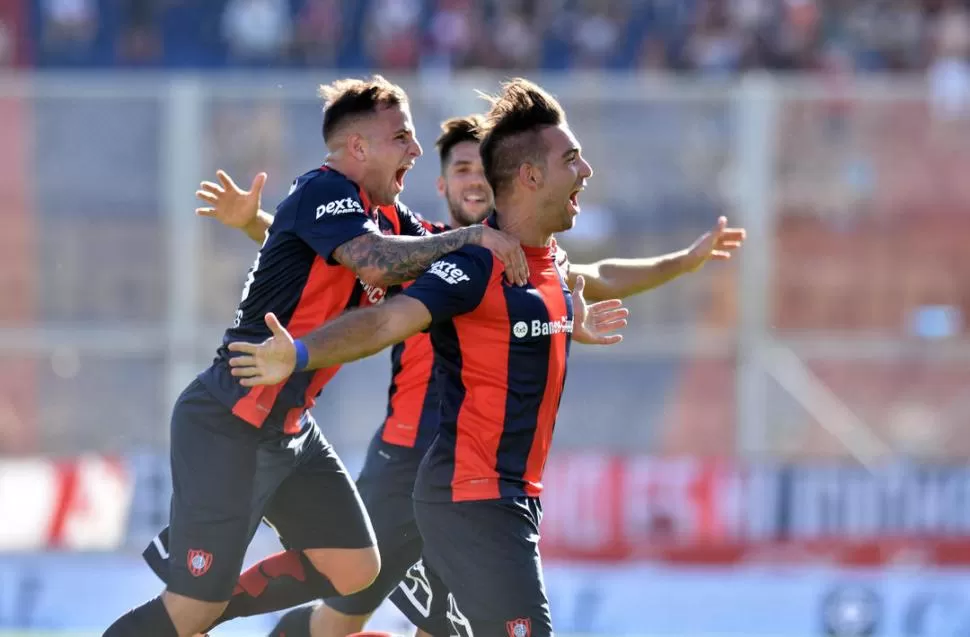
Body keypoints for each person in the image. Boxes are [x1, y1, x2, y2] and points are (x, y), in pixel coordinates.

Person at [187, 112, 744, 636]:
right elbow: (338, 262)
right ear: (442, 187)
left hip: (466, 473)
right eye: (460, 169)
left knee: (447, 625)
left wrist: (683, 261)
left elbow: (595, 276)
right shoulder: (423, 256)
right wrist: (255, 225)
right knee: (345, 615)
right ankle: (199, 612)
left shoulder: (526, 262)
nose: (474, 180)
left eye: (483, 168)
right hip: (406, 466)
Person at [102, 75, 526, 637]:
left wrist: (561, 292)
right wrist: (470, 239)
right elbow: (375, 262)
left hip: (291, 429)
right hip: (231, 422)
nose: (416, 151)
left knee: (355, 570)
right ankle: (202, 594)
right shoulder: (325, 189)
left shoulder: (383, 218)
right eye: (401, 137)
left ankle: (212, 592)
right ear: (358, 148)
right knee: (189, 610)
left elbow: (411, 255)